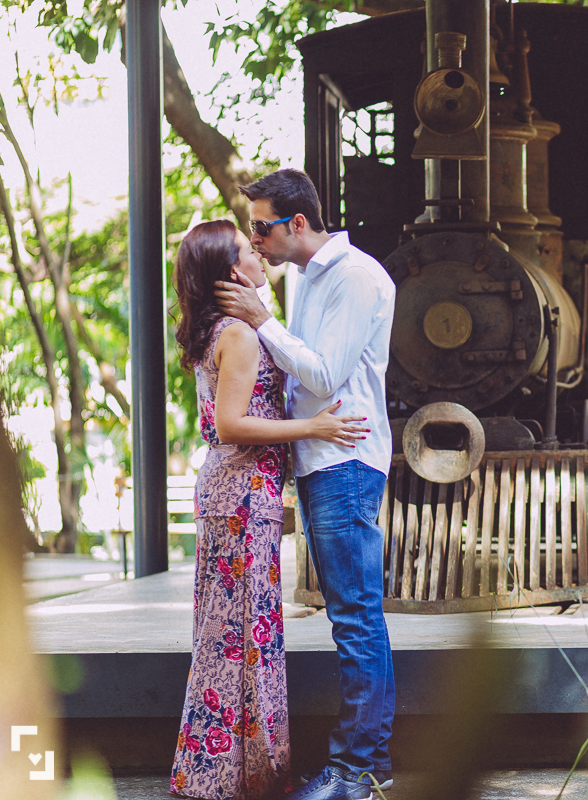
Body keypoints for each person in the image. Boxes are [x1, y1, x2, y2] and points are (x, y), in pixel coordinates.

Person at [170, 220, 369, 800]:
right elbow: (232, 425)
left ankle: (229, 773)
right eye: (246, 246)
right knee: (241, 633)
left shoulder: (227, 328)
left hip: (236, 493)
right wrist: (315, 425)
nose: (258, 251)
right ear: (234, 272)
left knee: (234, 631)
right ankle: (239, 775)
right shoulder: (240, 334)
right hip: (239, 493)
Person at [215, 169, 398, 800]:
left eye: (262, 227)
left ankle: (360, 769)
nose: (254, 238)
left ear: (298, 223)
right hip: (321, 459)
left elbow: (322, 376)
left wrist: (264, 321)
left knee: (355, 618)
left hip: (345, 463)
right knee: (349, 615)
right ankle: (358, 763)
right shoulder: (308, 276)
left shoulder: (354, 277)